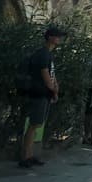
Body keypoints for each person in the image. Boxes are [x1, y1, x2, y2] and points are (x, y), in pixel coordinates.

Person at [19, 26, 66, 168]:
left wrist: (55, 88)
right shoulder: (43, 54)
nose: (59, 39)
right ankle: (25, 156)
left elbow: (52, 75)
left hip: (44, 94)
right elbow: (46, 77)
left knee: (37, 124)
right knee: (34, 125)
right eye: (57, 36)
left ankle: (30, 155)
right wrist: (54, 91)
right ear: (50, 37)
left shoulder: (48, 54)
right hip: (38, 93)